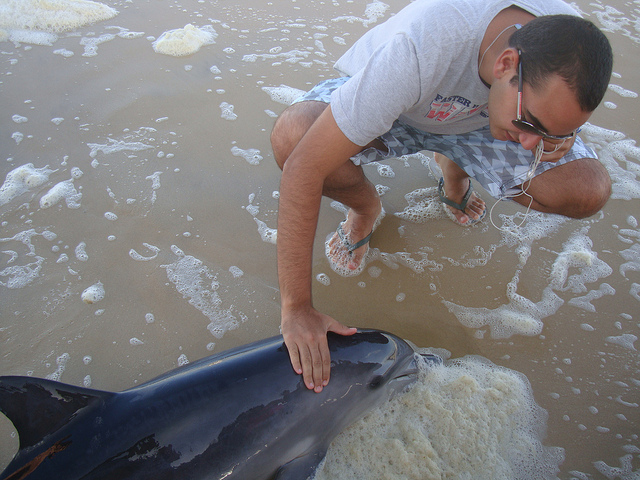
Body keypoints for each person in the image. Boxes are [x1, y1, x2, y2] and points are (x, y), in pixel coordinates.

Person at [270, 0, 613, 393]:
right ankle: (365, 207)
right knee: (293, 136)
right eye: (530, 123)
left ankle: (454, 170)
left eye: (548, 132)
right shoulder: (422, 47)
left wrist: (559, 136)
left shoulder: (568, 43)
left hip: (479, 123)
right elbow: (302, 167)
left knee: (588, 190)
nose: (532, 144)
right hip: (401, 107)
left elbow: (554, 115)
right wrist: (296, 308)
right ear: (505, 64)